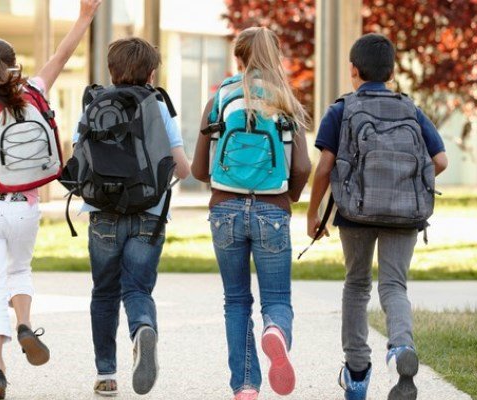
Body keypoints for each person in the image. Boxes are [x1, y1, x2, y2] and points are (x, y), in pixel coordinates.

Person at [0, 1, 101, 398]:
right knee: (20, 271)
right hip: (25, 207)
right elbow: (61, 55)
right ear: (15, 67)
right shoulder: (35, 93)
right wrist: (84, 16)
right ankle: (25, 323)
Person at [306, 33, 448, 400]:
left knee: (357, 285)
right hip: (405, 213)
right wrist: (409, 183)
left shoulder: (341, 109)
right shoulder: (410, 109)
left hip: (356, 212)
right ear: (392, 73)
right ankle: (400, 348)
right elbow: (440, 160)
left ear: (353, 69)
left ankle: (356, 375)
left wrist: (313, 213)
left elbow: (324, 167)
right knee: (394, 285)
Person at [191, 27, 311, 400]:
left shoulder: (221, 97)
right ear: (275, 56)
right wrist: (288, 197)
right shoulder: (285, 99)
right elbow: (303, 166)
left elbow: (198, 169)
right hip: (272, 210)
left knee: (236, 300)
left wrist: (223, 180)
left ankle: (245, 385)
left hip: (224, 209)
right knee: (277, 298)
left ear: (238, 57)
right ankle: (275, 331)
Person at [74, 37, 191, 397]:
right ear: (151, 73)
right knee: (137, 288)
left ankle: (106, 374)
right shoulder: (157, 106)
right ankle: (142, 328)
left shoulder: (95, 103)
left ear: (111, 70)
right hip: (149, 213)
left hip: (103, 214)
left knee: (104, 292)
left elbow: (77, 160)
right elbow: (183, 169)